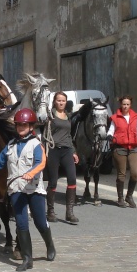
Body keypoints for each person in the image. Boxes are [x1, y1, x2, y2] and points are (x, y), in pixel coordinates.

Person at [0, 108, 56, 271]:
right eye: (18, 125)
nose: (21, 127)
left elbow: (41, 162)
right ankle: (27, 259)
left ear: (30, 126)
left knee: (40, 222)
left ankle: (50, 245)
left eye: (24, 125)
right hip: (16, 190)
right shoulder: (11, 145)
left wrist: (31, 173)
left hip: (34, 189)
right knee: (21, 224)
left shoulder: (36, 144)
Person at [45, 91, 80, 224]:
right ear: (54, 102)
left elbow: (69, 136)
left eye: (63, 100)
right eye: (58, 100)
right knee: (53, 181)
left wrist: (74, 152)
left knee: (72, 179)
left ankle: (69, 213)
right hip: (54, 150)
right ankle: (50, 211)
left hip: (67, 151)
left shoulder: (68, 116)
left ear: (66, 102)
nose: (61, 102)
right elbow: (45, 134)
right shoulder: (50, 116)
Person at [107, 95, 137, 208]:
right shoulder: (115, 118)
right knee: (121, 175)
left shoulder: (135, 117)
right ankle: (120, 198)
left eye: (127, 104)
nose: (125, 106)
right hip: (119, 148)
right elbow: (111, 130)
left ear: (130, 105)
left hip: (133, 148)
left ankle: (129, 196)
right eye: (124, 104)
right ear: (121, 104)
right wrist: (109, 136)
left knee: (135, 174)